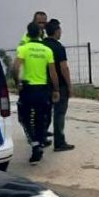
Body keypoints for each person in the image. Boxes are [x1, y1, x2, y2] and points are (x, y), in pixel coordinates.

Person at [12, 22, 59, 164]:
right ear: (40, 33)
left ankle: (35, 144)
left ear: (28, 33)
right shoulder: (47, 50)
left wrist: (17, 82)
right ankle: (40, 142)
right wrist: (56, 89)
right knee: (40, 118)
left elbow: (15, 68)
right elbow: (53, 73)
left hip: (28, 89)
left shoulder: (23, 49)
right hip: (43, 89)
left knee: (24, 118)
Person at [42, 20, 75, 152]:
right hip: (59, 85)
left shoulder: (41, 45)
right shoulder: (58, 47)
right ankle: (59, 142)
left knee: (45, 113)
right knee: (59, 114)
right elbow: (63, 68)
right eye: (60, 30)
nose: (61, 32)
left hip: (43, 85)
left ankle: (41, 139)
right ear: (56, 31)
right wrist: (69, 86)